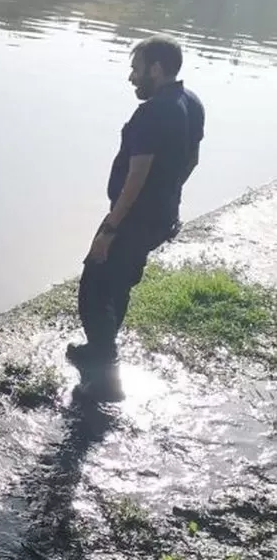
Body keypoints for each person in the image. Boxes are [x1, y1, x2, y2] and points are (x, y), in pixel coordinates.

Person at [67, 34, 205, 394]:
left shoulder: (152, 113)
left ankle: (104, 371)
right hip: (159, 216)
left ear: (156, 70)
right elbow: (192, 160)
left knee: (94, 286)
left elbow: (137, 176)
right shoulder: (190, 102)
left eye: (136, 69)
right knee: (119, 282)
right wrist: (168, 195)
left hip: (133, 218)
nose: (132, 78)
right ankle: (99, 353)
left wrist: (110, 228)